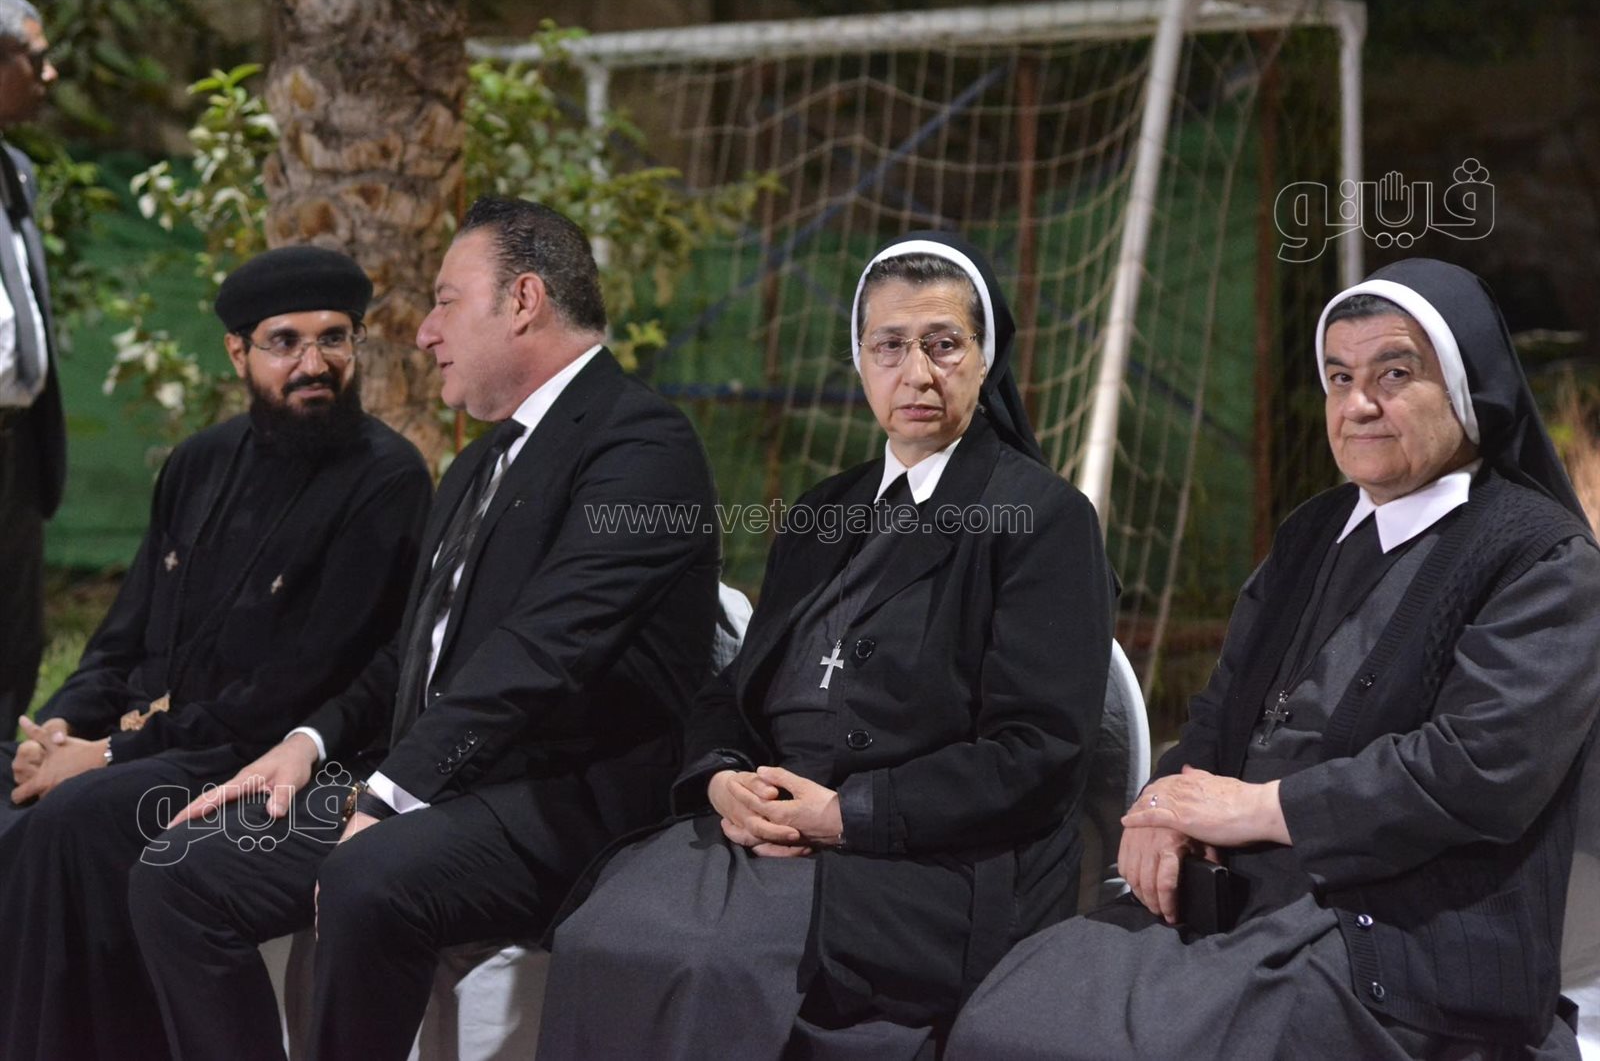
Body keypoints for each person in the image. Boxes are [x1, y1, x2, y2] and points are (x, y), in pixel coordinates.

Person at [947, 258, 1600, 1060]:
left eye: (1394, 374)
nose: (1359, 404)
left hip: (1400, 937)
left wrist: (1255, 809)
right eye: (1339, 377)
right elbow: (1222, 712)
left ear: (1469, 390)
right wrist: (1161, 806)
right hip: (1242, 895)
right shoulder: (1313, 533)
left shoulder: (1540, 558)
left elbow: (1476, 772)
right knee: (1007, 1013)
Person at [129, 196, 722, 1061]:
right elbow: (417, 652)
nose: (423, 332)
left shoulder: (643, 446)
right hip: (440, 790)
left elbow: (543, 650)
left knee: (367, 873)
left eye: (446, 301)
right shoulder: (482, 459)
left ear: (523, 301)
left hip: (564, 806)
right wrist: (307, 741)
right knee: (180, 871)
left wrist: (386, 795)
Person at [538, 232, 1114, 1058]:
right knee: (603, 930)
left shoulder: (1044, 519)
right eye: (890, 346)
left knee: (708, 961)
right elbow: (734, 691)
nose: (917, 373)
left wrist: (848, 814)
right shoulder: (821, 511)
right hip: (777, 834)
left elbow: (1039, 754)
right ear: (860, 359)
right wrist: (723, 778)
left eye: (944, 344)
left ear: (986, 358)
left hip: (934, 866)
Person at [0, 244, 432, 1059]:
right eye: (285, 342)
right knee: (18, 786)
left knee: (74, 819)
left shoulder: (388, 479)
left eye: (334, 338)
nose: (314, 364)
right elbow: (121, 636)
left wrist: (105, 755)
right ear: (238, 352)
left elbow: (293, 690)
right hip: (158, 743)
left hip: (261, 765)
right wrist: (56, 730)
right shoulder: (199, 463)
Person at [0, 0, 61, 734]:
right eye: (34, 59)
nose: (49, 75)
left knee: (16, 638)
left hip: (14, 444)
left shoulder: (14, 171)